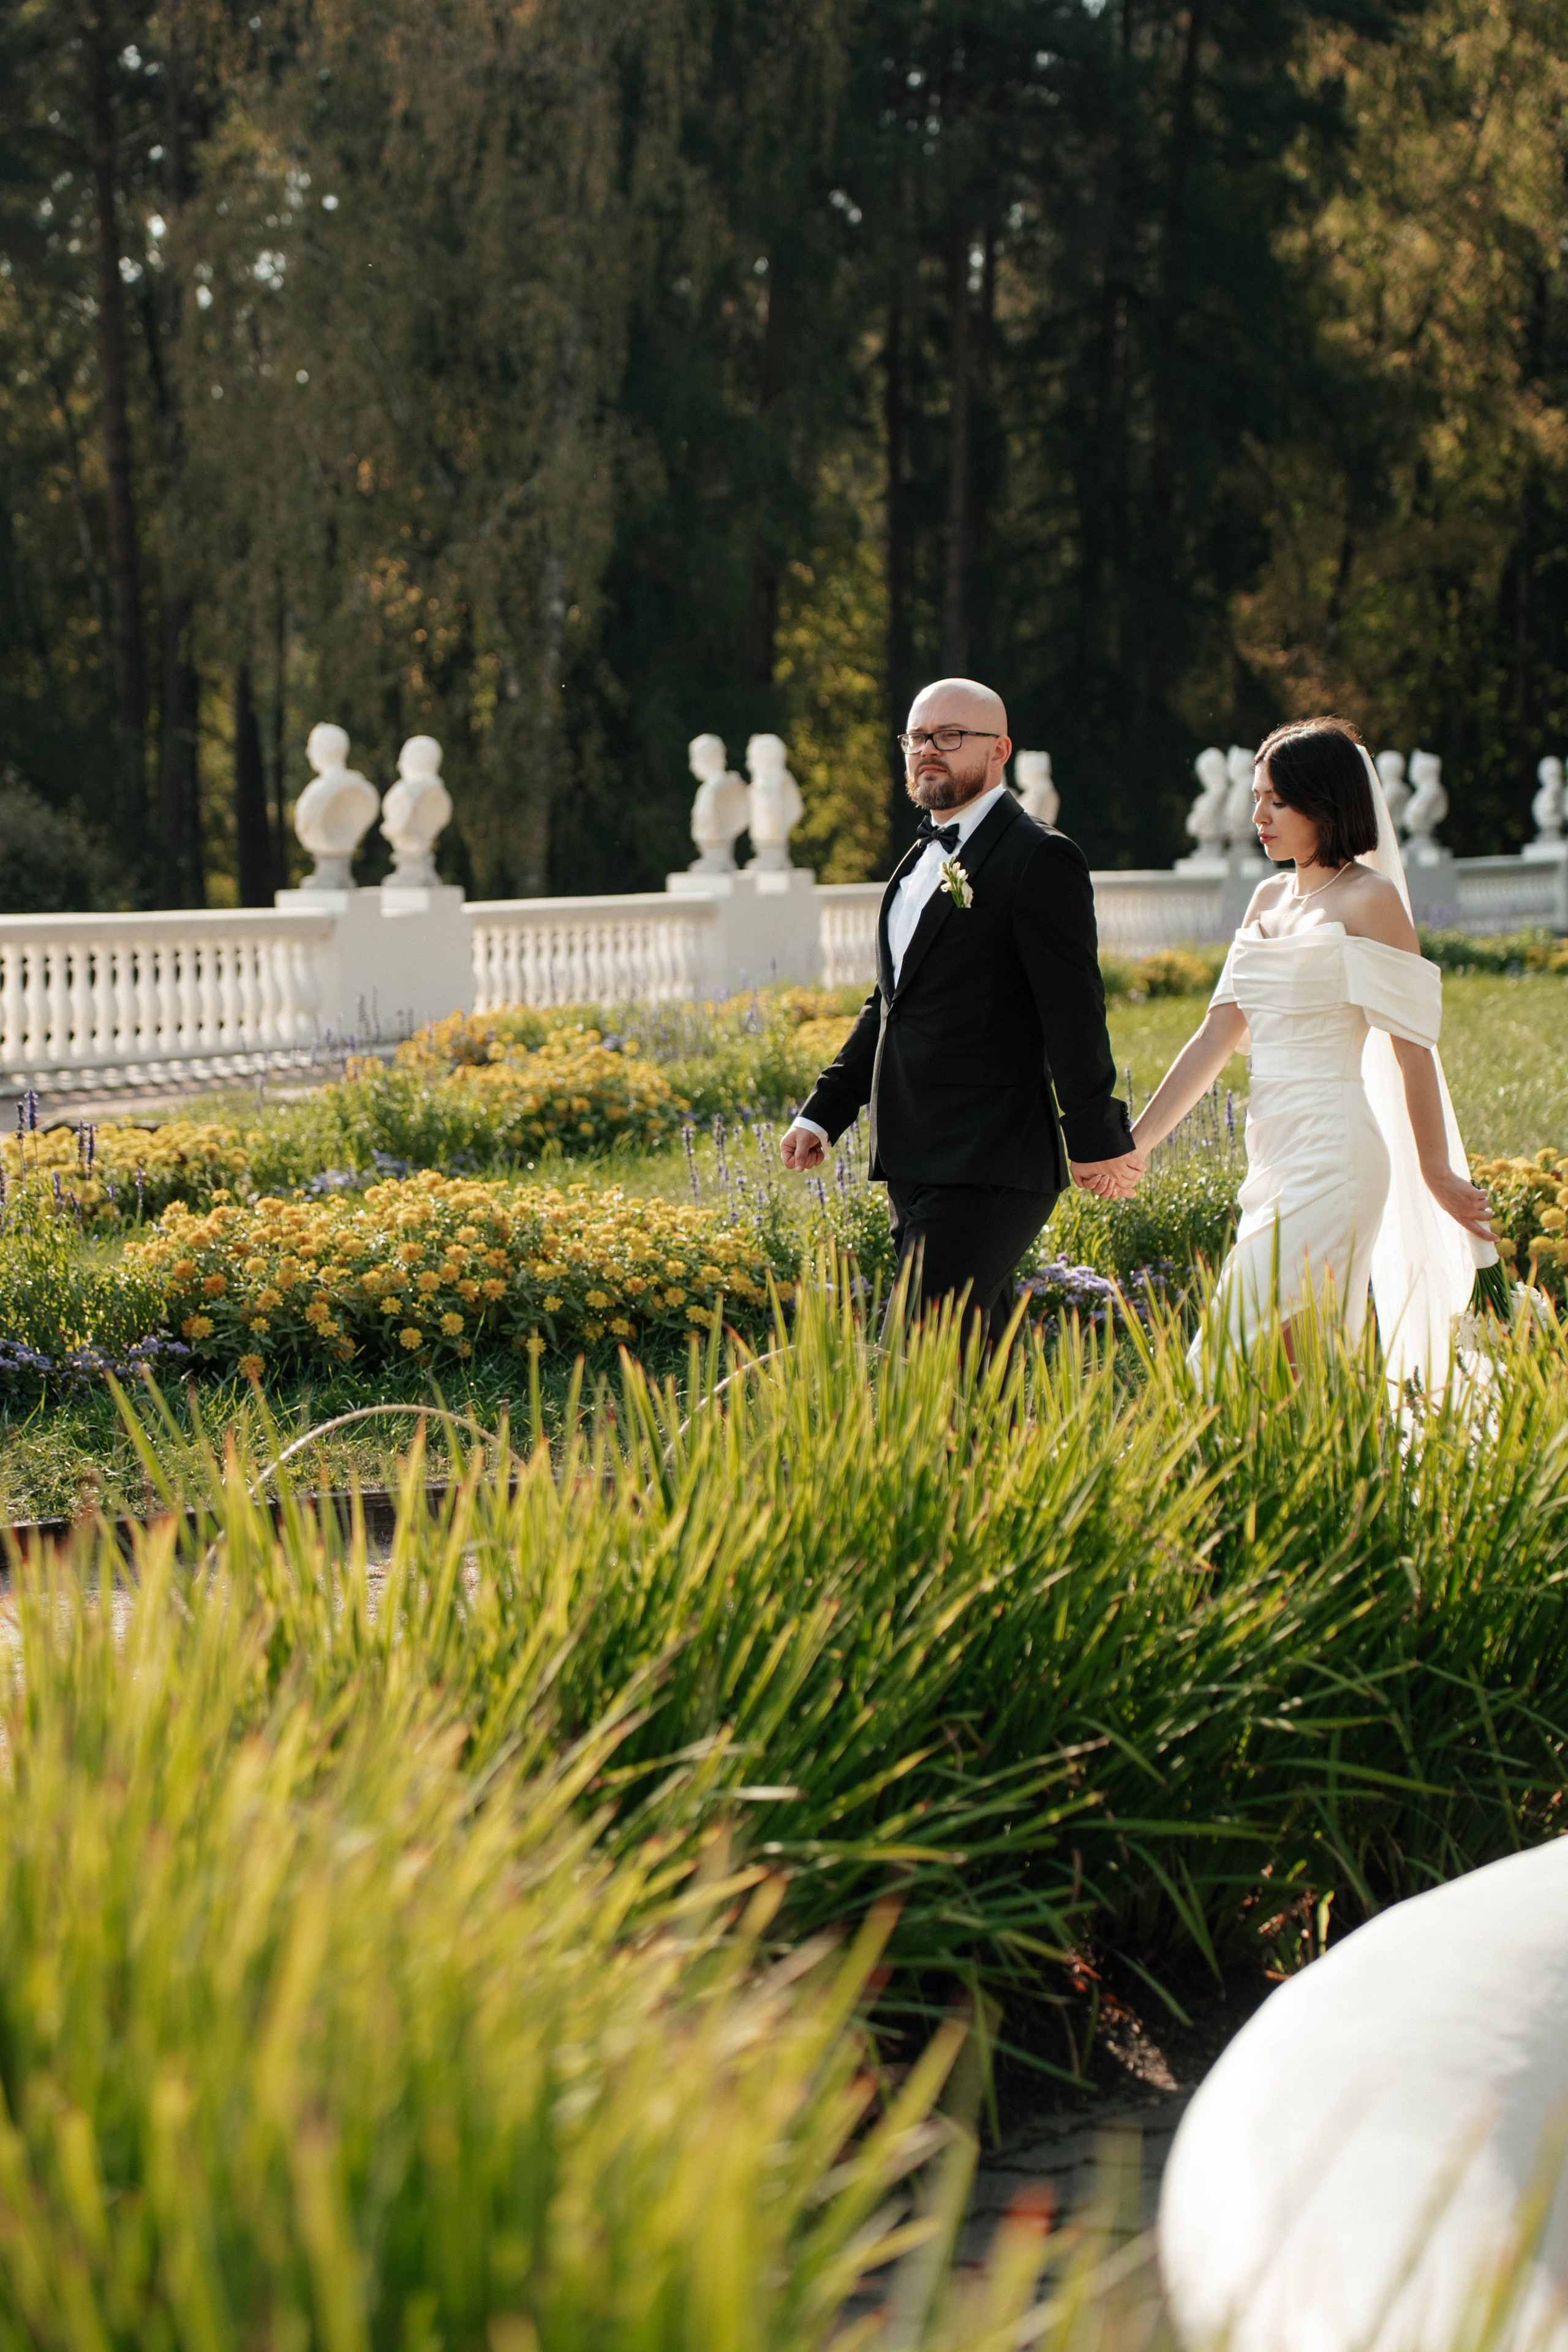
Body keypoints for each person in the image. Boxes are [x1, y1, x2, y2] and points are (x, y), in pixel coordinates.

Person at [1124, 716, 1494, 1384]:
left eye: (1277, 801)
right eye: (1257, 798)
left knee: (1222, 1358)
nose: (1259, 816)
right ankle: (1339, 1486)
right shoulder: (1266, 897)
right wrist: (1137, 1145)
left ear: (1324, 804)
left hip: (1336, 1154)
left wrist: (1437, 1173)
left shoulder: (1369, 899)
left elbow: (1414, 1051)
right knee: (1300, 1368)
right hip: (1271, 1153)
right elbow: (1215, 1035)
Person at [779, 677, 1139, 1346]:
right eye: (917, 737)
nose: (927, 751)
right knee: (973, 1373)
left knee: (914, 1359)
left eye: (950, 737)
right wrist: (824, 1111)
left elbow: (1073, 1010)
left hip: (992, 1160)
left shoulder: (1040, 857)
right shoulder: (919, 859)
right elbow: (890, 1002)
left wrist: (1094, 1138)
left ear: (999, 749)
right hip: (914, 1158)